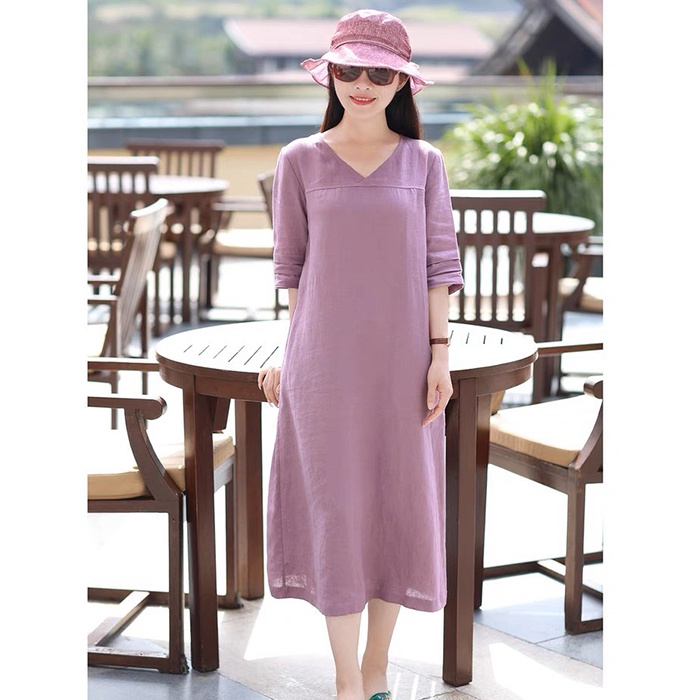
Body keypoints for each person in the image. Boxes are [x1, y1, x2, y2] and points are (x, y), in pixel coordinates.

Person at [257, 9, 463, 700]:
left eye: (381, 72)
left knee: (395, 506)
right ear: (331, 74)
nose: (364, 84)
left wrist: (439, 356)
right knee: (338, 509)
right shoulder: (299, 160)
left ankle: (377, 668)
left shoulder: (424, 163)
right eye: (350, 70)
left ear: (402, 81)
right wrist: (289, 352)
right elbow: (293, 272)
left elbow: (440, 267)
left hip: (404, 366)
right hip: (325, 367)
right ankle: (348, 680)